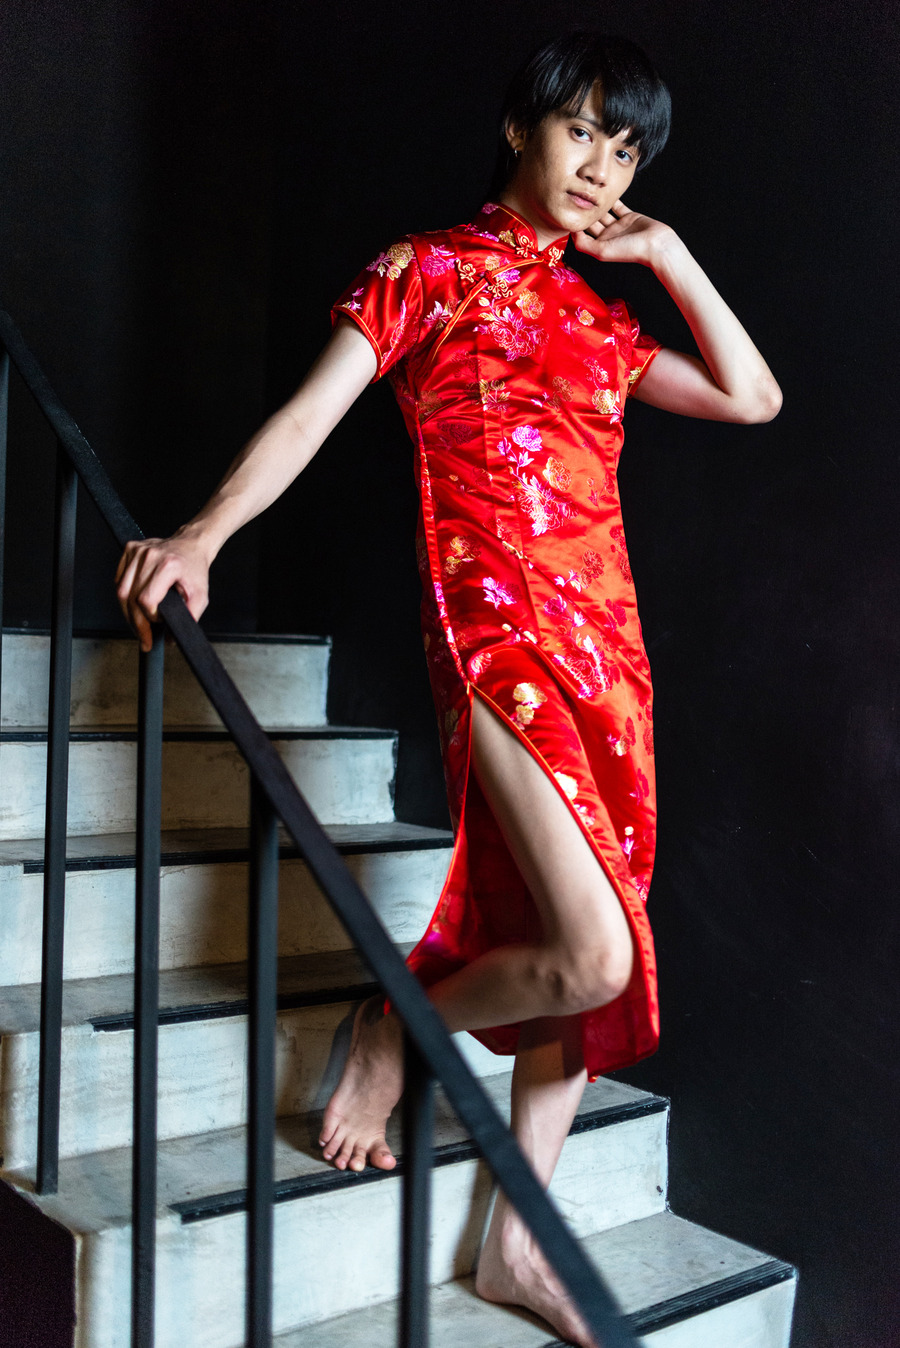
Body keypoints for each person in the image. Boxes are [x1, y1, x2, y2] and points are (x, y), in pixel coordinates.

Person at [116, 32, 781, 1348]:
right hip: (498, 641)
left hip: (612, 662)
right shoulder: (427, 269)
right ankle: (394, 1027)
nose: (604, 170)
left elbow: (752, 397)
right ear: (521, 127)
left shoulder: (603, 321)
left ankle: (519, 1245)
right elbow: (311, 414)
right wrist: (201, 535)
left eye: (628, 152)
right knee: (592, 950)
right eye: (583, 131)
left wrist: (666, 256)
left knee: (580, 951)